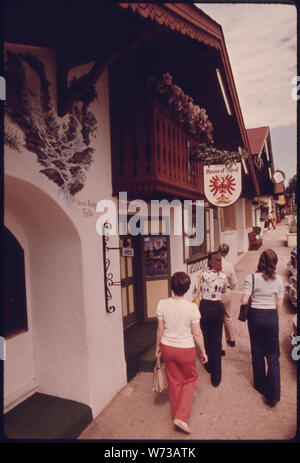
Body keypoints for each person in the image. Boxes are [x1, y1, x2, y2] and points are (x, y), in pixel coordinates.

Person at [156, 272, 207, 434]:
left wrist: (157, 347)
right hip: (186, 349)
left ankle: (176, 416)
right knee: (191, 379)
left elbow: (160, 328)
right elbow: (197, 333)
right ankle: (181, 417)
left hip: (168, 347)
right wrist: (203, 351)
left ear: (171, 287)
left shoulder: (162, 304)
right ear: (186, 289)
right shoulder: (191, 307)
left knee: (174, 380)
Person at [241, 249, 283, 407]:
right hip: (271, 317)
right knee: (273, 355)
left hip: (255, 317)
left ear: (260, 261)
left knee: (257, 351)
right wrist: (276, 319)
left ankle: (260, 385)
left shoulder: (251, 278)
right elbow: (279, 303)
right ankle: (274, 394)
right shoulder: (279, 280)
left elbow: (244, 301)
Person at [194, 252, 228, 387]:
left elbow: (196, 291)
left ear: (209, 262)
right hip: (217, 307)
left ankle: (208, 364)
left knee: (206, 337)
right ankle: (216, 375)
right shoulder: (223, 276)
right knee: (216, 340)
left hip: (205, 307)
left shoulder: (202, 275)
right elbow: (224, 290)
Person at [218, 243, 237, 350]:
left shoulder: (211, 263)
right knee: (227, 316)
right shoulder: (229, 265)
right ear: (227, 252)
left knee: (218, 318)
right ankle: (232, 339)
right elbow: (234, 283)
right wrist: (228, 289)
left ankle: (222, 346)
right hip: (226, 292)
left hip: (214, 293)